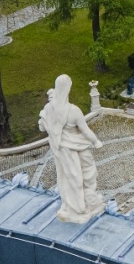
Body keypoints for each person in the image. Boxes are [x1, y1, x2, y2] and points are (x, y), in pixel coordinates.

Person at [39, 74, 103, 223]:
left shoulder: (49, 108)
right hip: (74, 148)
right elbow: (85, 131)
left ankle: (73, 206)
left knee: (67, 177)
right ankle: (79, 208)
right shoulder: (73, 110)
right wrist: (96, 141)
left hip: (61, 149)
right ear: (68, 89)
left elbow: (42, 126)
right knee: (82, 174)